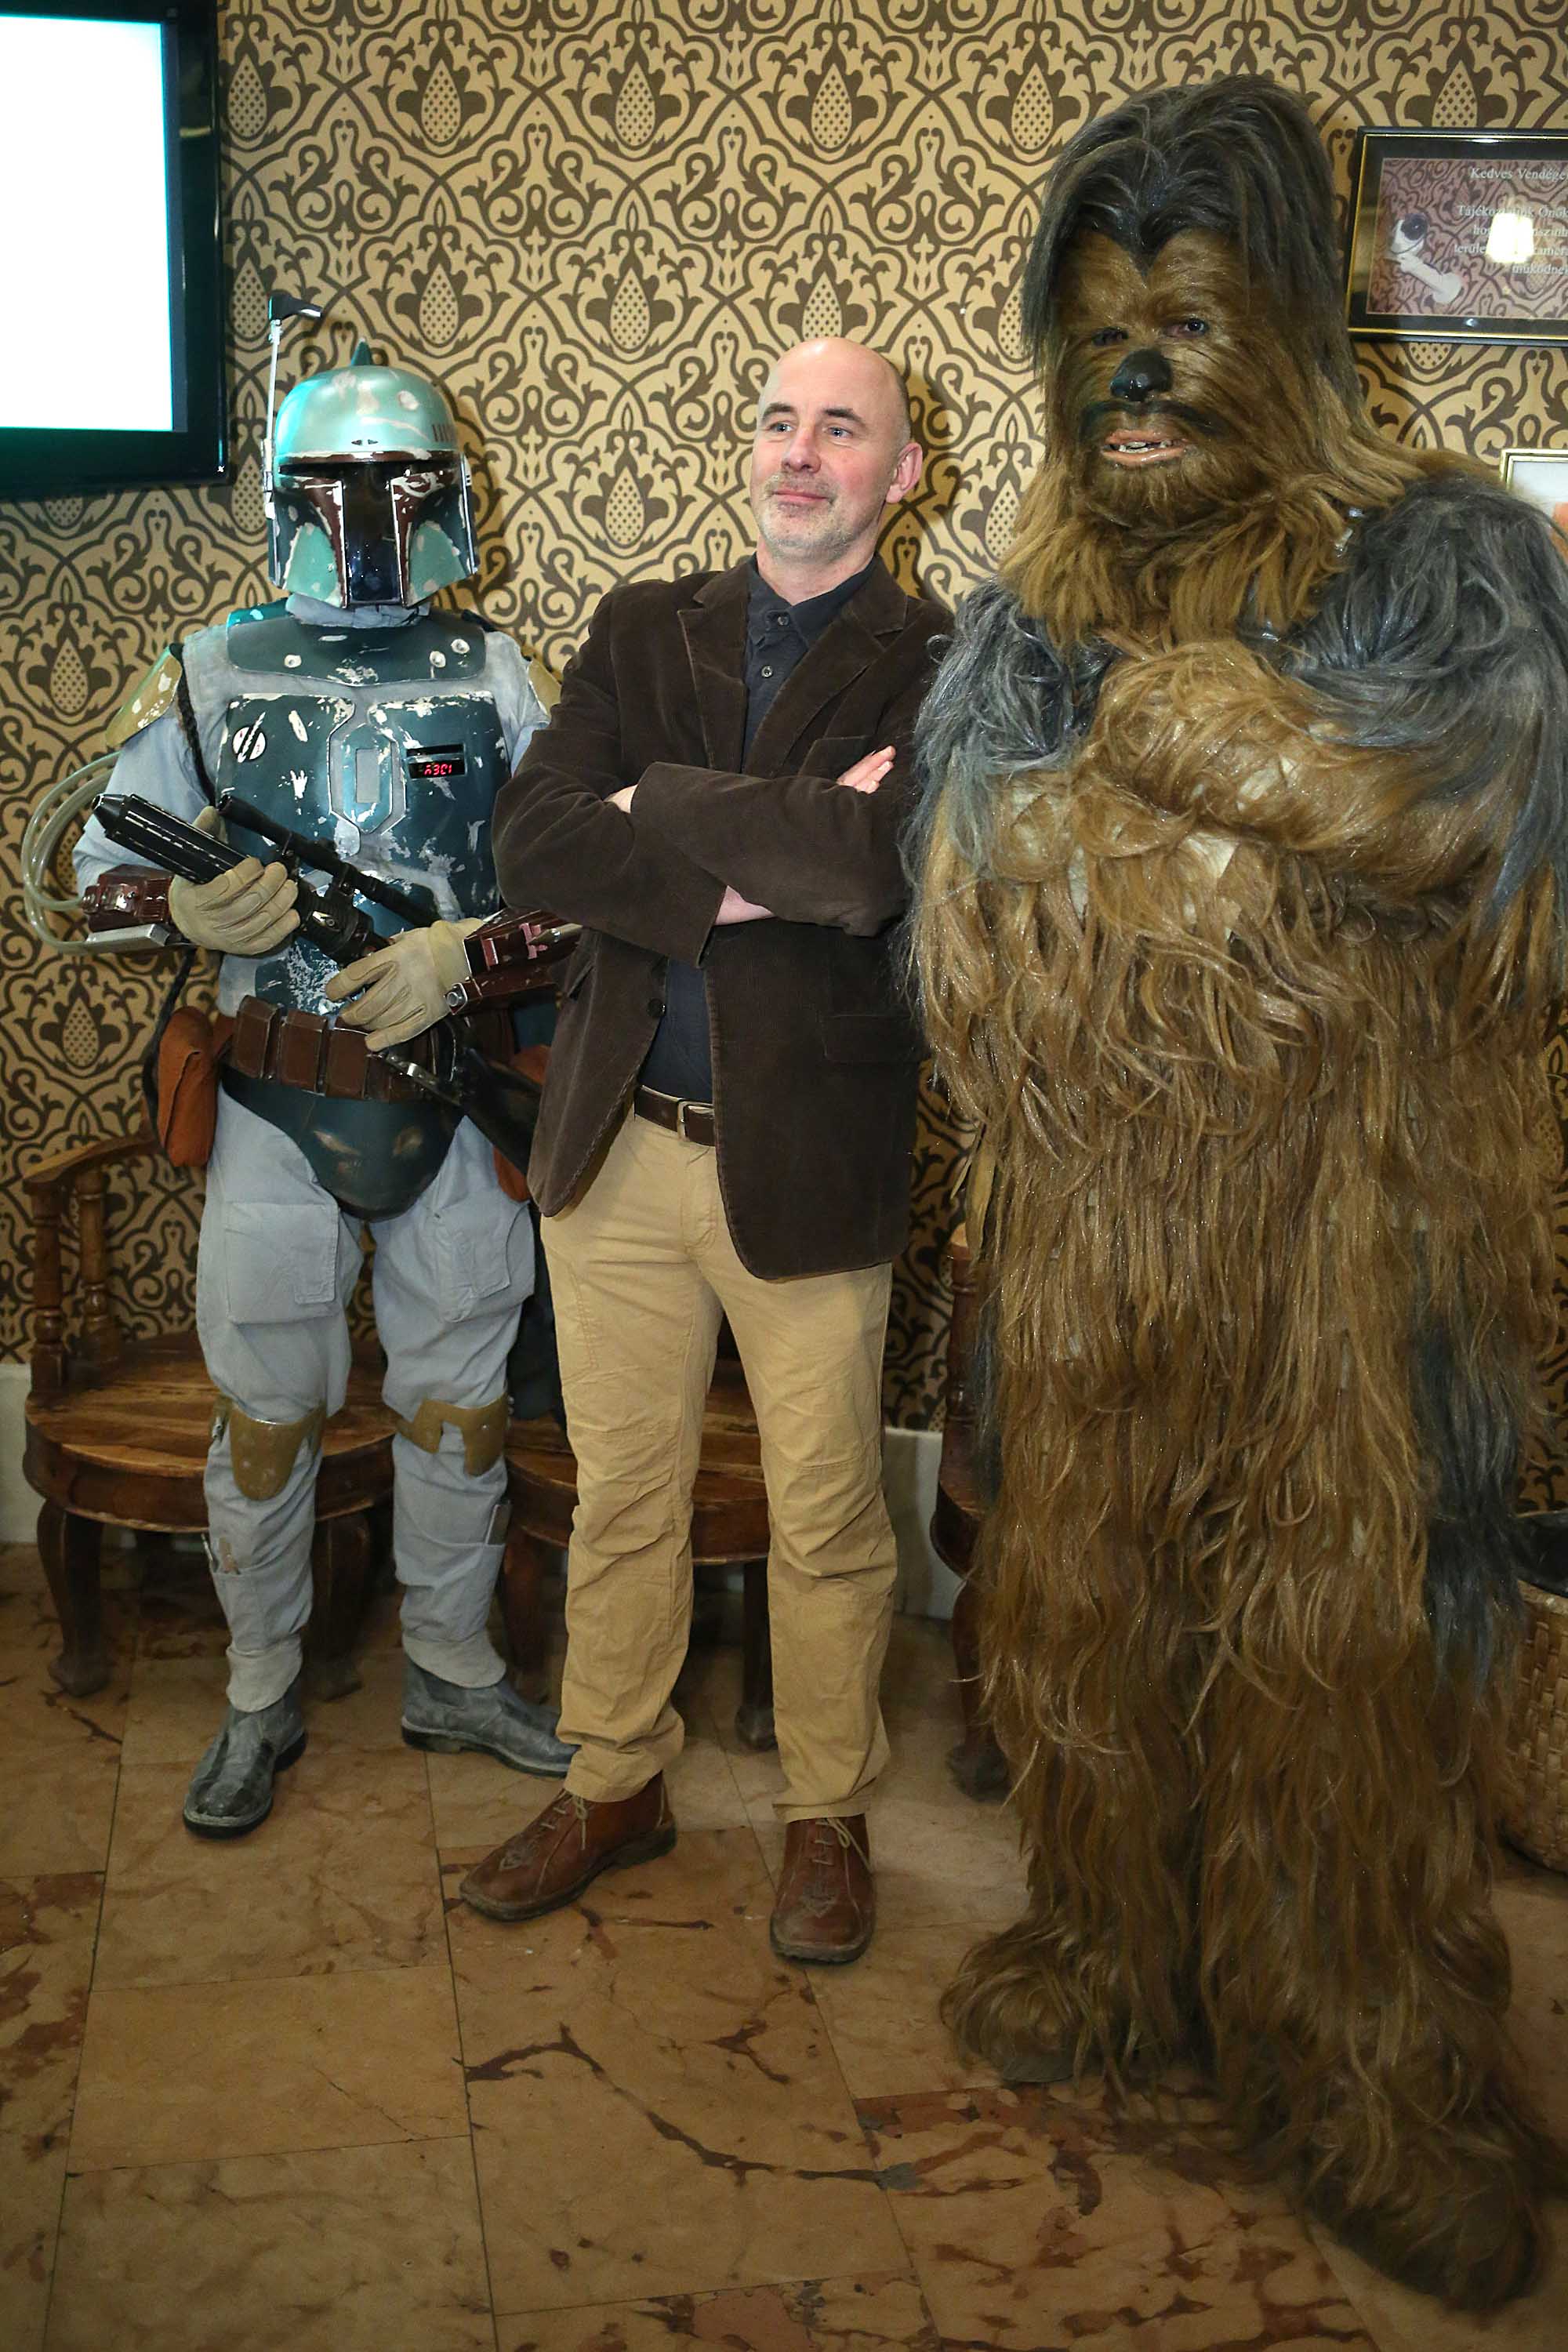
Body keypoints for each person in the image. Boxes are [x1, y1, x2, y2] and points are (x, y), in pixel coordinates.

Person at [911, 77, 1568, 2306]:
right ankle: (1114, 1952)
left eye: (1185, 324)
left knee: (1339, 1658)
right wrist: (1234, 838)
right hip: (1094, 1256)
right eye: (1099, 335)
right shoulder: (1020, 623)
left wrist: (1237, 760)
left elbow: (1474, 834)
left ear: (1287, 338)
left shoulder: (1446, 562)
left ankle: (1369, 2064)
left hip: (1348, 1256)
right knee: (1083, 1622)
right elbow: (970, 911)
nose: (1135, 376)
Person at [458, 337, 947, 1965]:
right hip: (613, 1148)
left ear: (902, 473)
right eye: (779, 420)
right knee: (623, 1500)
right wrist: (759, 844)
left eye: (841, 429)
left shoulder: (939, 660)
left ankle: (827, 1815)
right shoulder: (637, 627)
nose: (799, 451)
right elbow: (532, 841)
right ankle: (614, 1783)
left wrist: (651, 813)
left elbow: (875, 869)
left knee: (826, 1519)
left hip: (806, 1165)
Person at [74, 341, 573, 1838]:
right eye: (340, 486)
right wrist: (179, 909)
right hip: (273, 1104)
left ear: (446, 497)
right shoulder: (211, 668)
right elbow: (80, 878)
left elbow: (581, 892)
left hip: (454, 1096)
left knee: (459, 1406)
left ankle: (453, 1668)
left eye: (398, 486)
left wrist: (467, 954)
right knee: (269, 1413)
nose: (369, 519)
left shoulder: (495, 673)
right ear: (290, 498)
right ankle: (258, 1688)